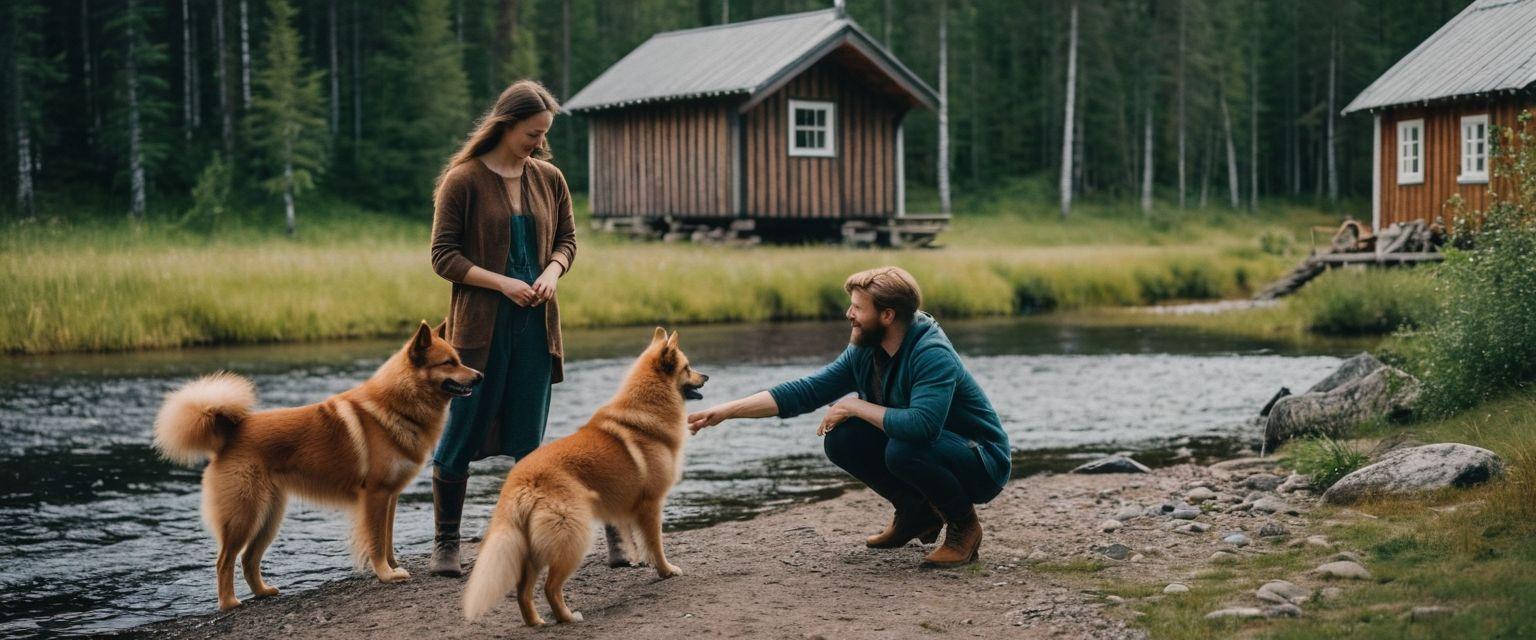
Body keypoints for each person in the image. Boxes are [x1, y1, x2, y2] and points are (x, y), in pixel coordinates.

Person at [687, 266, 1011, 567]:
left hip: (981, 461)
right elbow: (807, 391)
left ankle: (963, 526)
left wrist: (854, 406)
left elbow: (922, 427)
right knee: (843, 439)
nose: (849, 315)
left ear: (887, 315)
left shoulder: (930, 354)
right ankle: (916, 513)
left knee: (903, 447)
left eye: (857, 307)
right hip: (933, 449)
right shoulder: (866, 348)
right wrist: (727, 411)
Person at [426, 80, 576, 577]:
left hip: (535, 330)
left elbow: (568, 241)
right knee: (461, 436)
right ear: (507, 124)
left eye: (543, 134)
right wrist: (504, 284)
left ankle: (522, 541)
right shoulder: (462, 180)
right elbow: (443, 257)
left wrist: (551, 272)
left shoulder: (550, 178)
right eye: (533, 133)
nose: (539, 142)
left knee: (529, 439)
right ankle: (446, 544)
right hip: (478, 333)